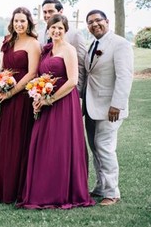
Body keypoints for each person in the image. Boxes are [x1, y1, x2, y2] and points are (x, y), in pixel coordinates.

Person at [17, 14, 94, 209]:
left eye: (60, 28)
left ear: (65, 30)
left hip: (63, 104)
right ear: (48, 30)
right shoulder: (46, 50)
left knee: (59, 146)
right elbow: (40, 76)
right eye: (53, 28)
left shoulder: (69, 50)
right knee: (43, 144)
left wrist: (49, 99)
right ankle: (42, 189)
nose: (56, 31)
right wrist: (38, 97)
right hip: (45, 102)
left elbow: (73, 82)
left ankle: (61, 191)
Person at [0, 7, 40, 204]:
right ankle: (1, 187)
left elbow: (32, 73)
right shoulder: (8, 41)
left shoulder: (33, 43)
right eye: (16, 21)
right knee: (4, 140)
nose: (19, 24)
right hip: (6, 96)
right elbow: (3, 68)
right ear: (12, 22)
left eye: (23, 21)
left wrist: (11, 92)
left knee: (18, 140)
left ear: (29, 23)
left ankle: (16, 188)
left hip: (21, 98)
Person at [83, 10, 133, 206]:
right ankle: (100, 186)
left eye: (98, 20)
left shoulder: (120, 44)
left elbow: (124, 76)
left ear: (107, 21)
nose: (94, 24)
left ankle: (112, 192)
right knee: (95, 147)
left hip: (110, 107)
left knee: (105, 147)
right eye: (90, 22)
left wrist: (117, 105)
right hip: (91, 106)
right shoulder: (93, 45)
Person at [38, 0, 87, 92]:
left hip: (66, 90)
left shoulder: (75, 34)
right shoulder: (39, 34)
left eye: (51, 11)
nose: (47, 15)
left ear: (61, 11)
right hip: (44, 91)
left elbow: (81, 65)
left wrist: (77, 92)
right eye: (44, 12)